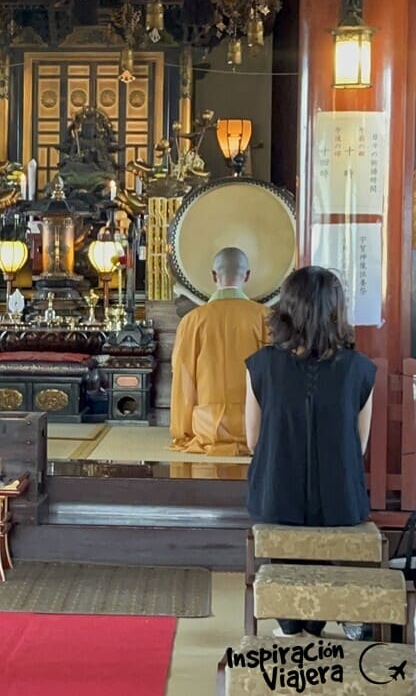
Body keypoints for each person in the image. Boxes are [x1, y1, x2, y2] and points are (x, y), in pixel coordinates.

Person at [245, 266, 375, 637]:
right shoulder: (360, 369)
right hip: (340, 498)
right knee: (327, 530)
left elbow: (253, 440)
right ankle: (318, 621)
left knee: (280, 521)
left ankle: (290, 623)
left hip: (276, 494)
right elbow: (359, 445)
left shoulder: (262, 364)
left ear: (286, 309)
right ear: (338, 311)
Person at [170, 247, 269, 456]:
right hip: (255, 427)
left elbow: (183, 379)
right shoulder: (265, 317)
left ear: (214, 275)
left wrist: (182, 431)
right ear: (247, 275)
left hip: (207, 426)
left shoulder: (192, 321)